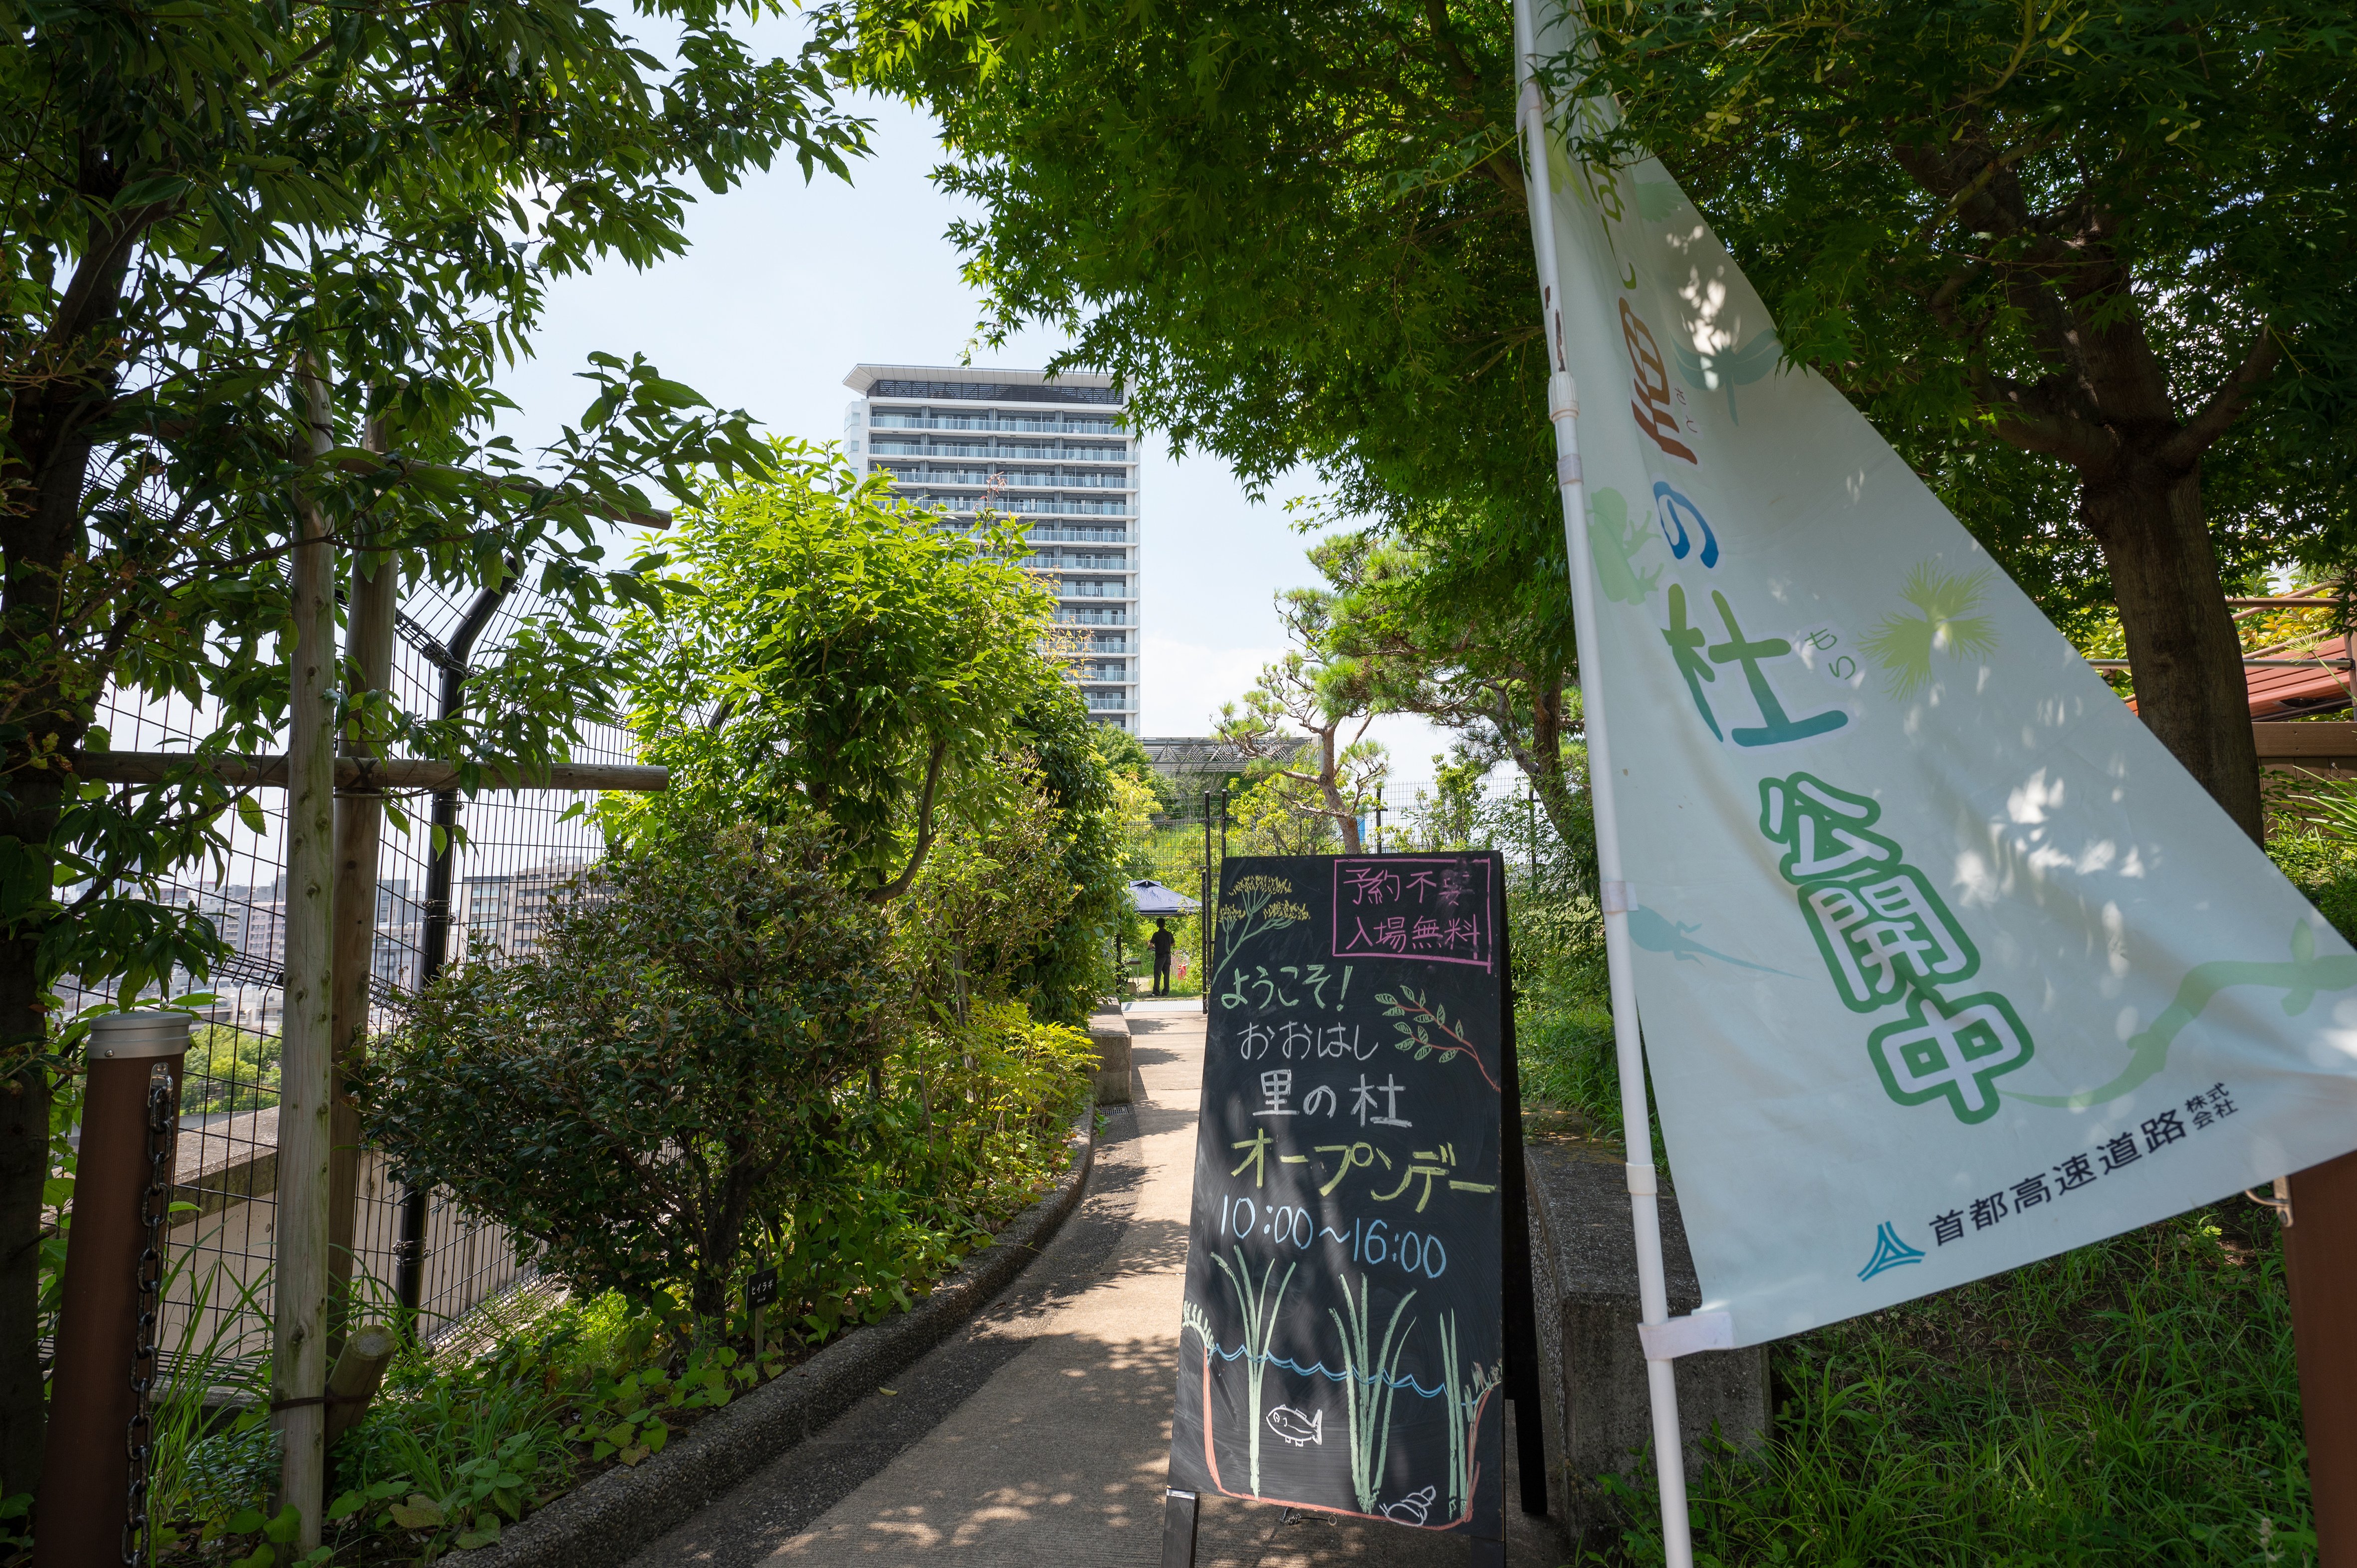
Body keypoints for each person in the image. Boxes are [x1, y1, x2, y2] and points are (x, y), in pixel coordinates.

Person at [1150, 918, 1176, 996]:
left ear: (1157, 925)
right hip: (1168, 956)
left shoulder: (1156, 934)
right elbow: (1174, 944)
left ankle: (1156, 992)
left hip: (1160, 956)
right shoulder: (1169, 934)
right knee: (1166, 974)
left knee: (1157, 974)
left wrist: (1151, 945)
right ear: (1165, 925)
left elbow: (1151, 946)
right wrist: (1168, 945)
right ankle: (1166, 992)